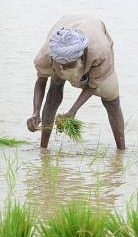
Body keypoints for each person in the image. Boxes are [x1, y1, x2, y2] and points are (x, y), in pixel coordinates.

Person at [27, 15, 125, 150]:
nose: (64, 68)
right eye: (61, 65)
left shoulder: (100, 52)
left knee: (111, 100)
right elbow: (41, 79)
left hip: (94, 31)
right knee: (53, 91)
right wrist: (35, 112)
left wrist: (72, 111)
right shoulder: (47, 54)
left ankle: (121, 151)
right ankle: (43, 149)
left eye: (69, 65)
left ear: (81, 56)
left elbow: (93, 85)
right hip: (67, 25)